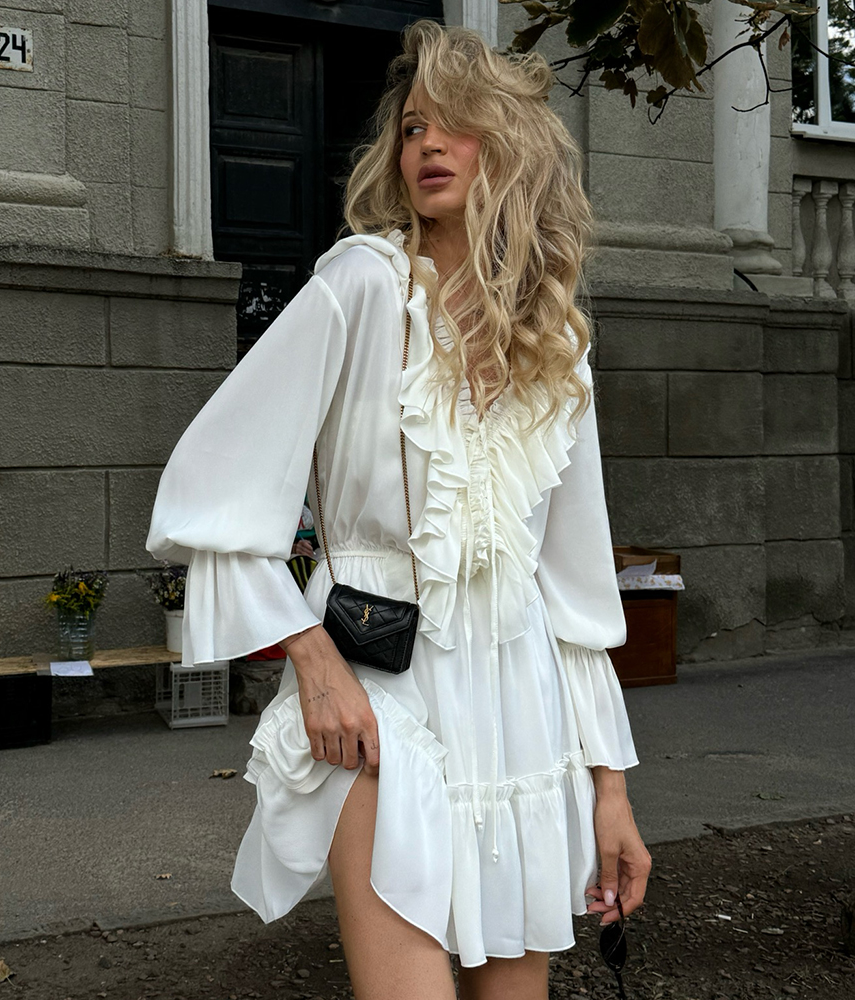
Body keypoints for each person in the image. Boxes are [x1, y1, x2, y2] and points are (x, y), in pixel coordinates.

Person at [146, 19, 651, 1000]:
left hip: (524, 715)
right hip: (381, 698)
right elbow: (211, 492)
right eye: (413, 126)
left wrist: (612, 789)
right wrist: (312, 661)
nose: (427, 144)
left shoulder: (559, 343)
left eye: (456, 124)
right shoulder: (361, 287)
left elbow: (576, 591)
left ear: (514, 148)